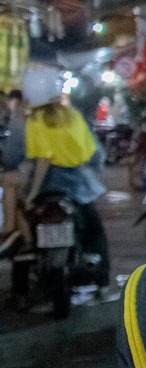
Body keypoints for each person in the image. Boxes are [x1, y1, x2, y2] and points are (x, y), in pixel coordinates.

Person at [22, 91, 111, 286]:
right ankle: (103, 283)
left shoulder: (34, 119)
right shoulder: (72, 115)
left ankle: (20, 289)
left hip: (48, 186)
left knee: (27, 233)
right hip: (79, 186)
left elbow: (42, 159)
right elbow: (94, 154)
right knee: (95, 232)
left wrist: (32, 192)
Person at [1, 89, 29, 257]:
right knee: (19, 203)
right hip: (74, 181)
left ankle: (8, 230)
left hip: (41, 177)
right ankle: (26, 239)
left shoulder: (19, 120)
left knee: (7, 181)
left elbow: (10, 157)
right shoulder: (71, 117)